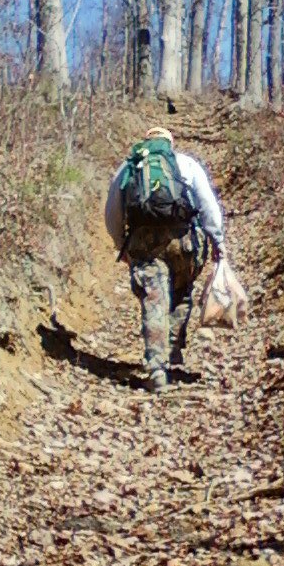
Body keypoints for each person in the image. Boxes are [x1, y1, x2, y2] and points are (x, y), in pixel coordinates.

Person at [105, 127, 225, 393]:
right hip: (182, 243)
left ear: (146, 142)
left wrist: (119, 245)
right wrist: (218, 242)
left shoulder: (130, 167)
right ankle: (172, 350)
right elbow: (208, 206)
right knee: (181, 293)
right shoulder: (186, 163)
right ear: (170, 144)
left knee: (154, 299)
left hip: (144, 244)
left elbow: (112, 212)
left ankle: (157, 368)